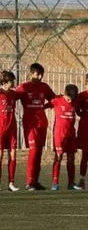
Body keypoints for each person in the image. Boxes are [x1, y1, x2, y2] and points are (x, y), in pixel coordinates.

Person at [17, 63, 56, 191]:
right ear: (31, 73)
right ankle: (29, 182)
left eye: (41, 75)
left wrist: (46, 106)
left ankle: (35, 181)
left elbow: (54, 100)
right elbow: (11, 96)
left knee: (39, 152)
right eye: (37, 74)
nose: (39, 77)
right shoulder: (24, 87)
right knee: (33, 151)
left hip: (42, 123)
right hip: (30, 123)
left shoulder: (44, 87)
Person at [50, 84, 80, 191]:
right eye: (68, 98)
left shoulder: (75, 101)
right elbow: (45, 105)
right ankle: (55, 183)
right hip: (59, 134)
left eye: (72, 98)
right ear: (65, 94)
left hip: (71, 134)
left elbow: (79, 111)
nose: (70, 100)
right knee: (58, 157)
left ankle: (71, 183)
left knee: (71, 159)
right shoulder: (57, 100)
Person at [0, 71, 20, 192]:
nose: (13, 83)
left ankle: (11, 183)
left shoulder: (13, 94)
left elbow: (24, 93)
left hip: (12, 128)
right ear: (5, 82)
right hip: (1, 129)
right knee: (0, 155)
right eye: (11, 81)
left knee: (13, 154)